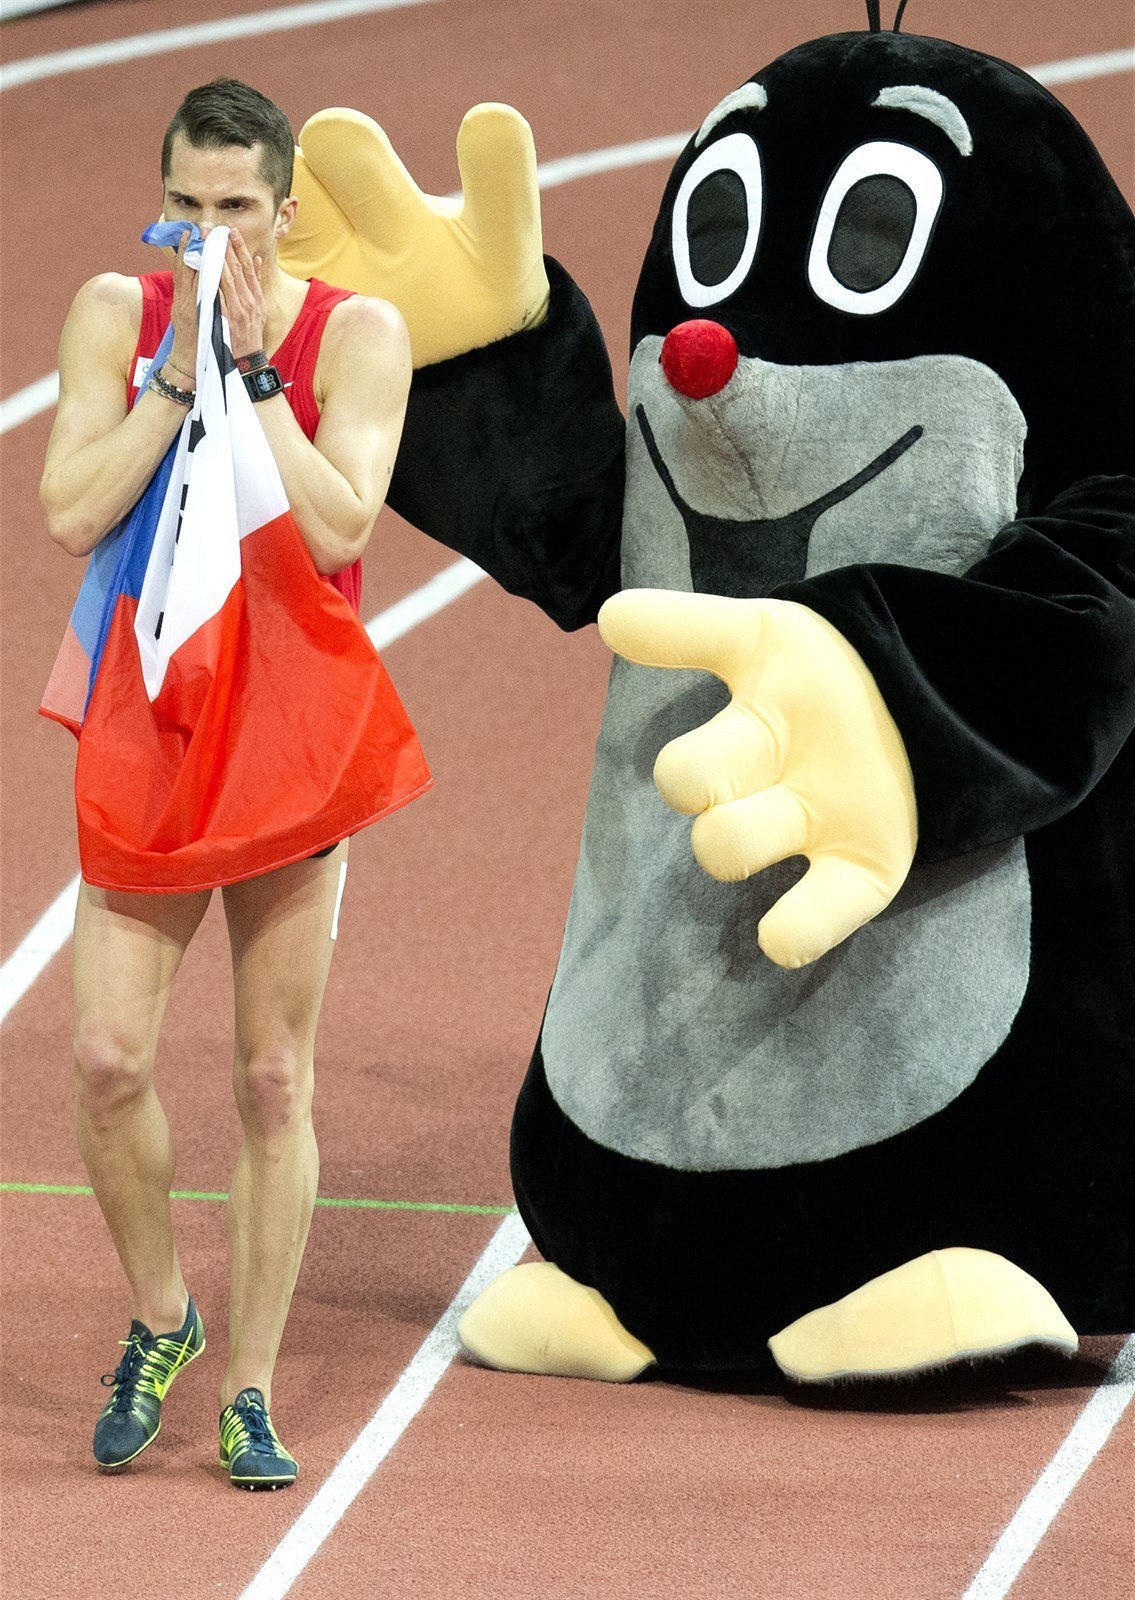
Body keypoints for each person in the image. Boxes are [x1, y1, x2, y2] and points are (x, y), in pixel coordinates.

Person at [39, 78, 412, 1489]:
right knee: (106, 1056)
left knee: (269, 1076)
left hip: (291, 734)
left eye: (236, 208)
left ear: (286, 209)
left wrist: (254, 374)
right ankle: (163, 1320)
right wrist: (178, 378)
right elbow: (72, 508)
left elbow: (340, 529)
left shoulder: (355, 334)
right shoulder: (115, 315)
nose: (208, 235)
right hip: (152, 720)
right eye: (185, 207)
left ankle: (248, 1389)